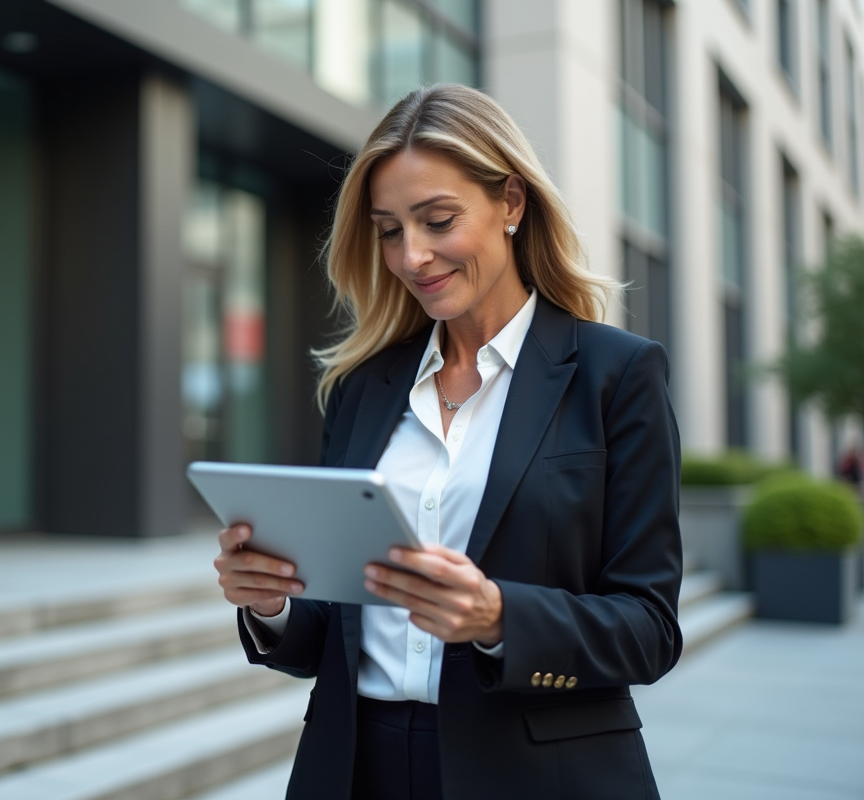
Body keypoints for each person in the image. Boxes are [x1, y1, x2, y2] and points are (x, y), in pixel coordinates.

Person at [213, 84, 683, 800]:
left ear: (511, 203)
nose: (413, 256)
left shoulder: (615, 375)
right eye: (389, 230)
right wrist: (272, 604)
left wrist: (498, 617)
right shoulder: (362, 387)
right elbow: (332, 630)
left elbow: (650, 629)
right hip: (355, 767)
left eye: (437, 220)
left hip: (536, 777)